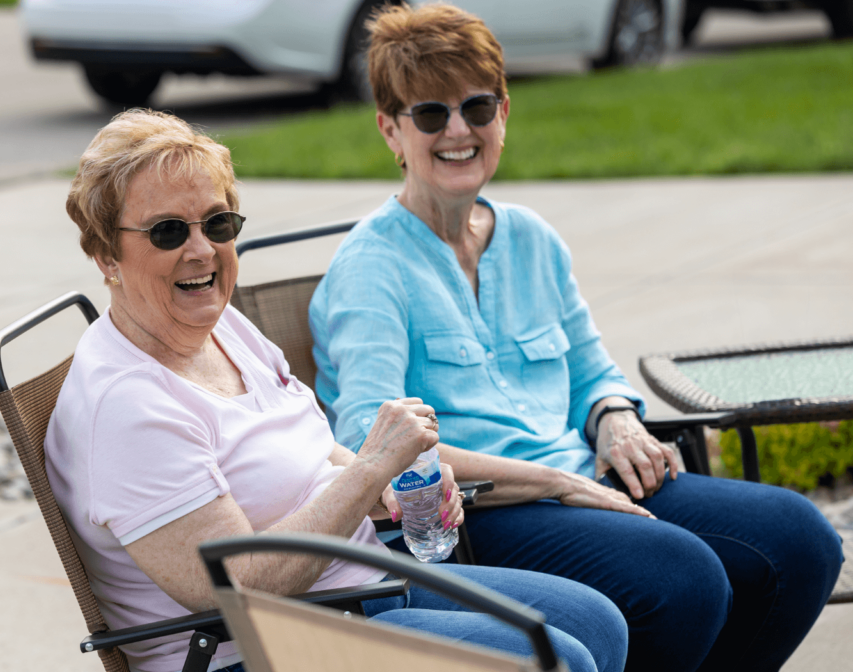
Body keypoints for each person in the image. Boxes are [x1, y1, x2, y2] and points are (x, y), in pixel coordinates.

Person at [308, 5, 844, 672]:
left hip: (583, 472)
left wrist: (614, 417)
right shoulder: (371, 269)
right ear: (391, 128)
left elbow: (593, 371)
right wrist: (549, 481)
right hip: (486, 512)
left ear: (504, 112)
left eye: (477, 108)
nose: (458, 131)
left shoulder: (532, 237)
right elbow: (369, 440)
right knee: (683, 578)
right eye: (429, 114)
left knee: (800, 540)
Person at [44, 108, 628, 672]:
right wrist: (369, 470)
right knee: (557, 659)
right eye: (168, 231)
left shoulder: (220, 326)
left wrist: (395, 484)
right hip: (259, 648)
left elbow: (314, 448)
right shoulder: (126, 405)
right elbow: (234, 586)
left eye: (217, 224)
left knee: (600, 622)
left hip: (356, 586)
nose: (201, 250)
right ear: (105, 255)